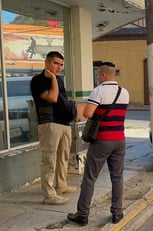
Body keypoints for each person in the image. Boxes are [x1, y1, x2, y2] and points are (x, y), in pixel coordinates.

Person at [67, 62, 129, 226]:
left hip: (102, 140)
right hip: (119, 140)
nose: (97, 78)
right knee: (117, 177)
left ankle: (82, 214)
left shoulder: (99, 91)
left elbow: (88, 113)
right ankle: (117, 212)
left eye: (98, 76)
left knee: (90, 177)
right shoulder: (125, 92)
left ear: (103, 75)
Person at [30, 51, 77, 205]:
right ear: (47, 62)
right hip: (49, 123)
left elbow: (62, 100)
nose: (59, 67)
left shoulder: (59, 80)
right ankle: (49, 194)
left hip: (64, 123)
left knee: (63, 157)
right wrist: (54, 80)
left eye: (61, 64)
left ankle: (61, 185)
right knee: (49, 160)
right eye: (56, 63)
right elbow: (52, 97)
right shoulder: (38, 80)